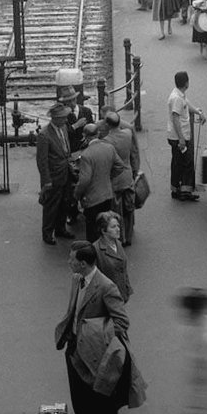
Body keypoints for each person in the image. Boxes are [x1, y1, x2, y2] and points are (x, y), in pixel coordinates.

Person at [54, 241, 143, 414]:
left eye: (72, 259)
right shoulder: (77, 279)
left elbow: (121, 322)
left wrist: (95, 335)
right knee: (81, 401)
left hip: (97, 355)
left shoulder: (106, 287)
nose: (68, 261)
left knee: (103, 401)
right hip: (76, 350)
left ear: (83, 263)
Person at [74, 124, 126, 243]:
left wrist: (76, 195)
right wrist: (108, 176)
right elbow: (120, 166)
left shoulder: (87, 155)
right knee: (104, 226)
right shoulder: (109, 148)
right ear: (98, 134)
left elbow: (84, 180)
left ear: (85, 136)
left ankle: (95, 255)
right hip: (107, 194)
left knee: (92, 231)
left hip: (92, 198)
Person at [101, 111, 140, 246]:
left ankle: (120, 237)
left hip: (115, 179)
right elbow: (134, 153)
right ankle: (128, 237)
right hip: (127, 175)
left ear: (107, 124)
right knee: (129, 208)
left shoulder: (106, 141)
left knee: (116, 210)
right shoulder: (128, 134)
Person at [36, 103, 73, 245]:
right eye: (63, 118)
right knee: (51, 206)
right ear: (55, 119)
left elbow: (65, 148)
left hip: (65, 172)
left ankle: (60, 228)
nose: (65, 120)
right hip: (53, 176)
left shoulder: (63, 128)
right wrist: (46, 181)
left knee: (65, 202)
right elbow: (42, 161)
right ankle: (47, 233)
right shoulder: (44, 135)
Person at [168, 71, 204, 202]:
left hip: (176, 136)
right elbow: (175, 118)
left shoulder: (178, 94)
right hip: (179, 137)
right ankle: (185, 191)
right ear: (187, 82)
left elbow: (186, 104)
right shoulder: (177, 98)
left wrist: (197, 112)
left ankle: (176, 189)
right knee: (187, 163)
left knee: (177, 163)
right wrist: (181, 139)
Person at [93, 211, 132, 302]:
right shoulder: (95, 250)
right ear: (103, 230)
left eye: (118, 226)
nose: (118, 229)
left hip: (120, 295)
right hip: (105, 299)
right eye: (113, 227)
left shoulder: (118, 244)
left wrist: (127, 289)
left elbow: (123, 269)